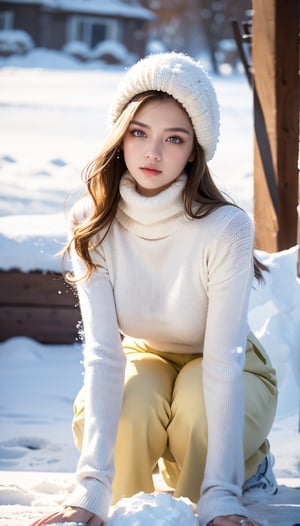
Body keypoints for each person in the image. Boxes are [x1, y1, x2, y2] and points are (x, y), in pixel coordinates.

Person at [31, 52, 278, 526]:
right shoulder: (92, 219)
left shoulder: (225, 227)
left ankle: (243, 470)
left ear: (194, 151)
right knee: (132, 409)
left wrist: (222, 496)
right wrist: (89, 492)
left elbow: (224, 361)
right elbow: (104, 354)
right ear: (120, 133)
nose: (153, 153)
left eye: (174, 139)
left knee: (197, 412)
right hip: (145, 354)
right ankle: (150, 487)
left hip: (227, 360)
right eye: (139, 132)